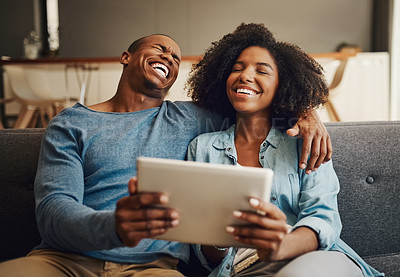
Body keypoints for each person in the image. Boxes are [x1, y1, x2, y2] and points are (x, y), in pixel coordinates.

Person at [0, 33, 331, 276]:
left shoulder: (192, 119)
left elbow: (257, 107)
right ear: (126, 56)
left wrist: (306, 113)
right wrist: (114, 227)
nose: (169, 57)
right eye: (160, 48)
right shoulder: (72, 124)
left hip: (153, 266)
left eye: (176, 58)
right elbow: (54, 212)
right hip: (63, 260)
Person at [185, 23, 383, 277]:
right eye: (237, 68)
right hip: (241, 269)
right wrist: (218, 236)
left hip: (314, 259)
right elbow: (204, 254)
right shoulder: (201, 149)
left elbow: (324, 218)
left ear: (283, 84)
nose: (245, 75)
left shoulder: (305, 141)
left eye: (262, 71)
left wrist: (281, 246)